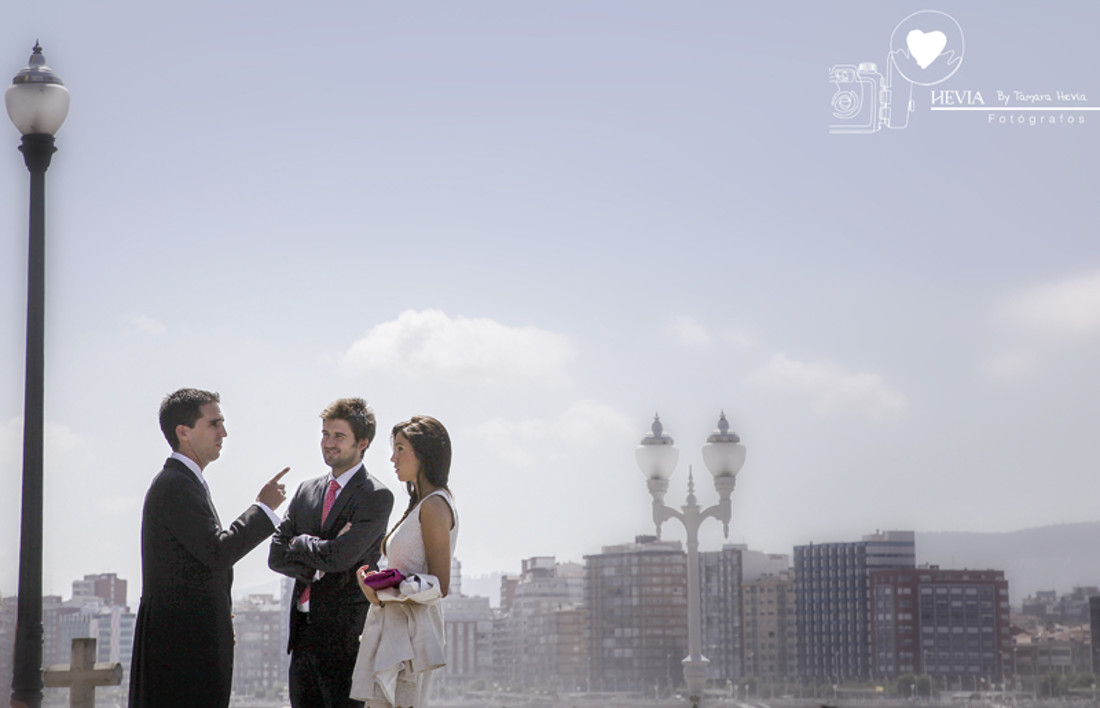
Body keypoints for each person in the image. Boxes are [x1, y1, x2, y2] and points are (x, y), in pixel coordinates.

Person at [129, 388, 289, 708]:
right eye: (214, 423)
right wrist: (264, 509)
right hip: (182, 652)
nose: (223, 432)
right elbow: (217, 552)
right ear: (184, 432)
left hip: (188, 645)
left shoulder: (185, 483)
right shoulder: (176, 485)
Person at [269, 397, 395, 708]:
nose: (328, 443)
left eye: (339, 436)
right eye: (325, 434)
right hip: (302, 639)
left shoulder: (375, 496)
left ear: (362, 443)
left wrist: (299, 543)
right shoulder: (305, 490)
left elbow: (340, 559)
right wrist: (317, 557)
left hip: (346, 643)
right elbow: (275, 554)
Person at [349, 415, 458, 708]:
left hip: (411, 638)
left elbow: (439, 585)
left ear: (424, 453)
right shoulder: (420, 505)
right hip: (396, 630)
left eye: (400, 449)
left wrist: (381, 591)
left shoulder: (435, 505)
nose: (392, 458)